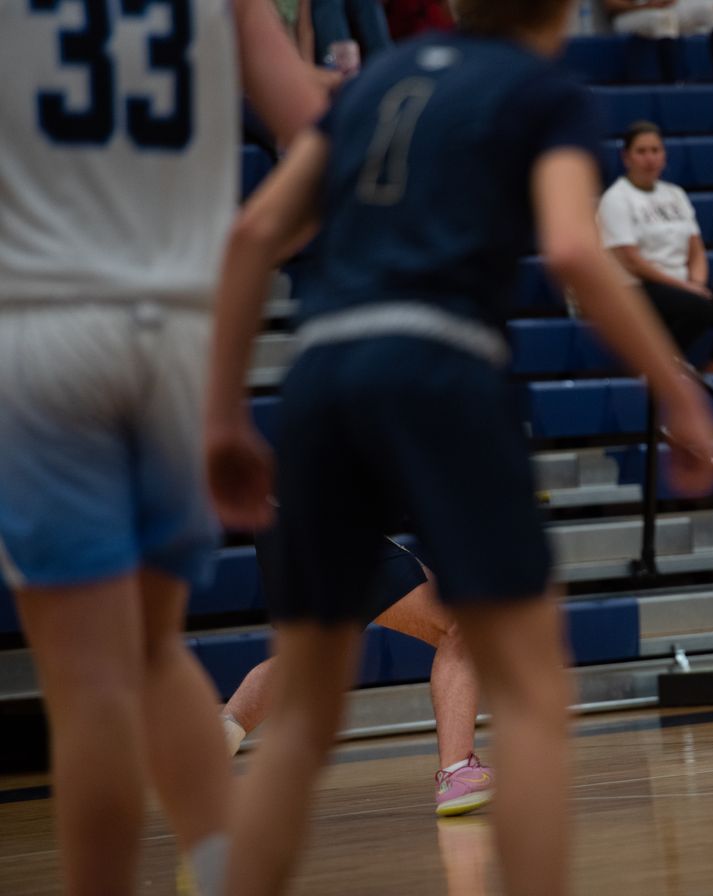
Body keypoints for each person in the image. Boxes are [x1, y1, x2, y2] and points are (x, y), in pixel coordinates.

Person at [203, 2, 713, 894]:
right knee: (528, 685)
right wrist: (679, 392)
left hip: (324, 377)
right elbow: (570, 245)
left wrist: (220, 415)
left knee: (308, 697)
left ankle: (226, 872)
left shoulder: (370, 85)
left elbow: (253, 235)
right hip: (443, 368)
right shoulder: (542, 91)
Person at [0, 2, 325, 894]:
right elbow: (328, 141)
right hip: (179, 335)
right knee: (149, 651)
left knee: (91, 682)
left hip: (43, 320)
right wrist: (237, 246)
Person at [220, 534, 493, 817]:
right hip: (335, 522)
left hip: (278, 536)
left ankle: (215, 743)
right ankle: (457, 770)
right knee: (458, 627)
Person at [600, 120, 713, 365]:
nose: (650, 158)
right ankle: (662, 369)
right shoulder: (616, 198)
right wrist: (685, 287)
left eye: (655, 150)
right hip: (638, 286)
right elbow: (631, 261)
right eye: (641, 151)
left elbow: (695, 247)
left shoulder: (675, 194)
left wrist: (695, 281)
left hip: (681, 284)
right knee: (697, 308)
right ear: (626, 157)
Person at [604, 0, 713, 83]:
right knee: (664, 19)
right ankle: (671, 84)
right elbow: (611, 5)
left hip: (665, 8)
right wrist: (647, 5)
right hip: (629, 14)